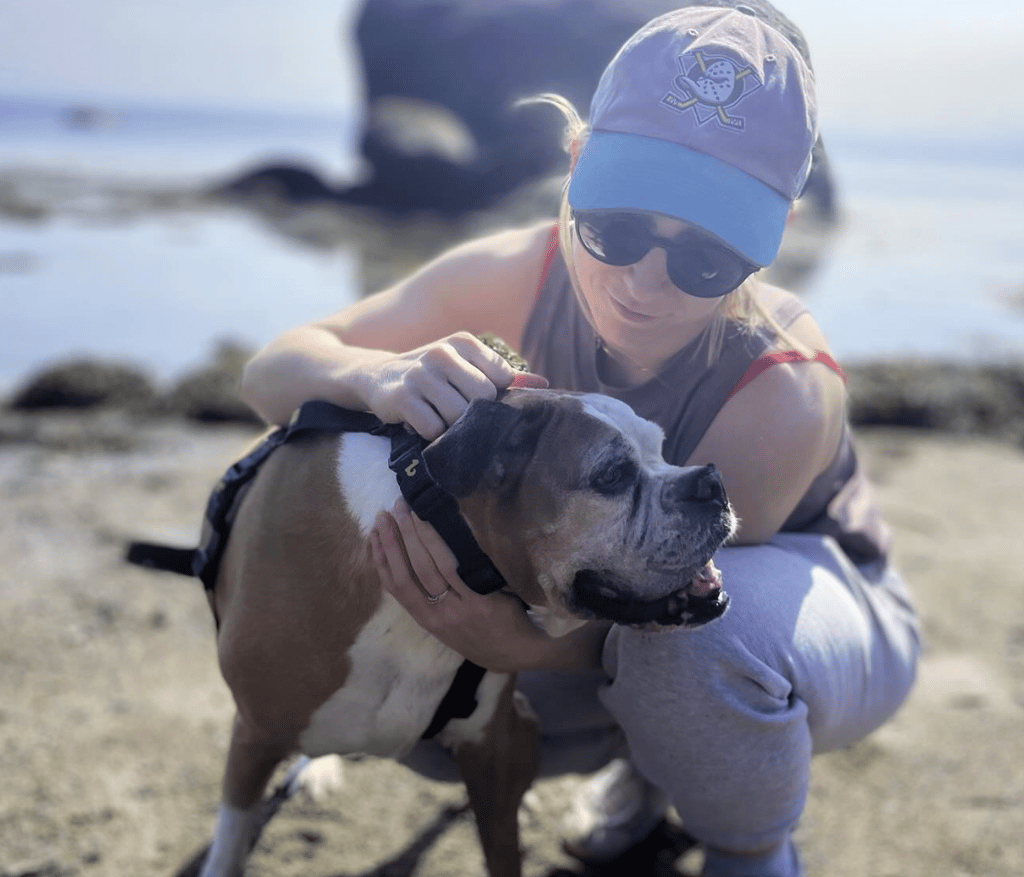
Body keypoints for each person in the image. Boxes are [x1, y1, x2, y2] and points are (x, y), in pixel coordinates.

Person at [239, 7, 919, 876]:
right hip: (636, 602)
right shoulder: (515, 272)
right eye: (618, 226)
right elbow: (271, 374)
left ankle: (749, 848)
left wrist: (522, 646)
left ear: (777, 231)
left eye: (704, 257)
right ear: (574, 164)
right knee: (430, 713)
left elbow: (683, 609)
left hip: (811, 609)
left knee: (695, 653)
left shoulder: (780, 385)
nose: (642, 282)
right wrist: (375, 377)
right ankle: (648, 763)